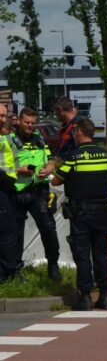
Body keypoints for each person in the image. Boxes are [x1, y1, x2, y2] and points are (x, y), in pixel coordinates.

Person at [50, 119, 107, 311]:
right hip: (102, 212)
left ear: (79, 133)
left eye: (74, 132)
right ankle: (105, 295)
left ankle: (85, 296)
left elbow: (56, 180)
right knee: (102, 253)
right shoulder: (106, 155)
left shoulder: (74, 157)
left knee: (82, 254)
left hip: (81, 213)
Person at [12, 107, 61, 281]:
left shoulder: (39, 138)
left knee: (48, 228)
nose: (29, 126)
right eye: (26, 122)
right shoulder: (9, 140)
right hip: (16, 192)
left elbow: (51, 160)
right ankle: (15, 269)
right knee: (15, 233)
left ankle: (53, 265)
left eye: (33, 123)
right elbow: (3, 167)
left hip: (39, 190)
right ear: (19, 120)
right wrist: (20, 170)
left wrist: (48, 168)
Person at [0, 104, 20, 283]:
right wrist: (6, 181)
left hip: (7, 187)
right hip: (3, 187)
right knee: (8, 231)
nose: (3, 119)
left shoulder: (4, 136)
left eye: (5, 116)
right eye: (0, 115)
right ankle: (7, 274)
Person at [51, 96, 83, 165]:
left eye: (55, 112)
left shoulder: (78, 126)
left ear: (60, 110)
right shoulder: (65, 126)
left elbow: (79, 153)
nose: (55, 115)